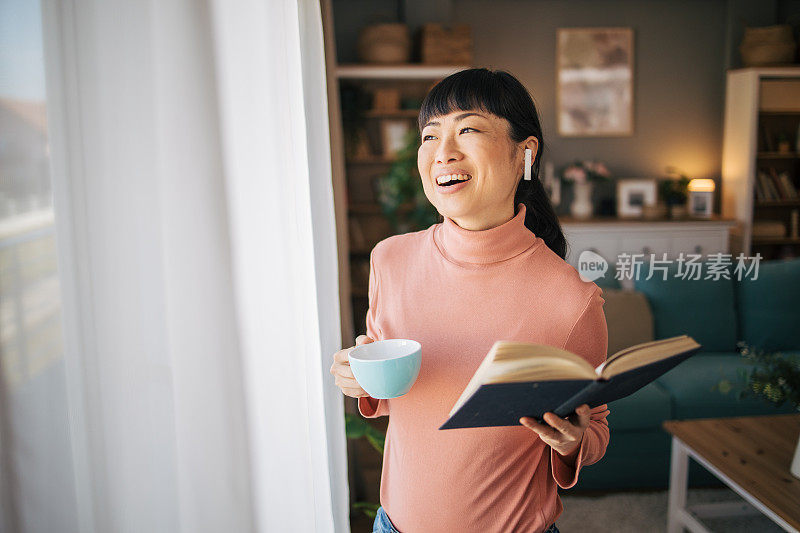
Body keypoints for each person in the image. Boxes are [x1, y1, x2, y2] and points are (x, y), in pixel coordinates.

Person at [330, 68, 609, 533]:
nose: (444, 152)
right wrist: (359, 378)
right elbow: (390, 383)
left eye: (468, 129)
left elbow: (595, 425)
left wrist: (575, 439)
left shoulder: (570, 300)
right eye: (429, 135)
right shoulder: (390, 259)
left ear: (526, 152)